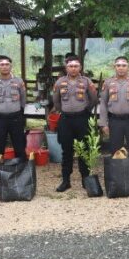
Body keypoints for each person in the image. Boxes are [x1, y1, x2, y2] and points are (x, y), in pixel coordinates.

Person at [98, 56, 129, 188]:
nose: (121, 68)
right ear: (114, 67)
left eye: (124, 65)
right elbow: (103, 103)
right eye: (118, 65)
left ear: (128, 67)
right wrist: (103, 123)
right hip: (115, 121)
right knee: (115, 149)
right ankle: (117, 178)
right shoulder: (108, 83)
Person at [52, 55, 98, 192]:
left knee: (83, 150)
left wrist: (85, 110)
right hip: (66, 120)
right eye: (70, 66)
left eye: (76, 66)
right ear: (66, 67)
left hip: (82, 119)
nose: (73, 68)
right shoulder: (60, 82)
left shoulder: (86, 81)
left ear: (80, 67)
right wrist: (64, 111)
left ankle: (85, 179)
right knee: (66, 150)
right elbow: (56, 100)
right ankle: (66, 180)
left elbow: (94, 98)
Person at [0, 55, 27, 194]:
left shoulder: (18, 81)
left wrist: (19, 113)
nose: (4, 66)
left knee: (20, 149)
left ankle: (23, 180)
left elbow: (23, 100)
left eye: (7, 64)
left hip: (16, 118)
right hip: (0, 119)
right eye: (2, 64)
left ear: (11, 66)